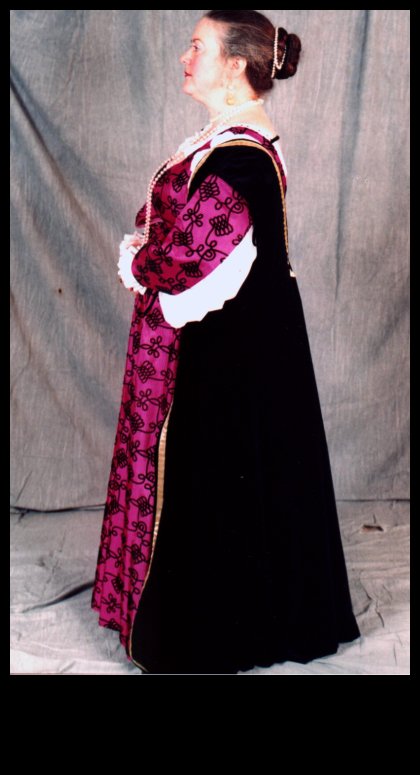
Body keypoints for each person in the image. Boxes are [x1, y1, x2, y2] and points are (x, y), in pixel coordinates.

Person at [91, 10, 361, 674]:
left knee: (218, 474)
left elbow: (184, 257)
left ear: (236, 64)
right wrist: (152, 243)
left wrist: (140, 257)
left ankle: (208, 626)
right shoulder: (226, 142)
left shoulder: (241, 158)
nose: (184, 58)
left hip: (228, 352)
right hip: (237, 342)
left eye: (198, 47)